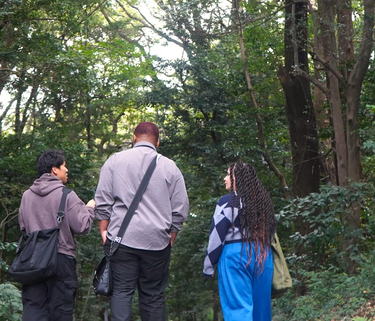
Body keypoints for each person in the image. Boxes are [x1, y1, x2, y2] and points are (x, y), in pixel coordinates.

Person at [94, 122, 190, 321]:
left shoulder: (115, 161)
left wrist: (104, 232)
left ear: (134, 138)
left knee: (121, 291)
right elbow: (180, 209)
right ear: (158, 142)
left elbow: (103, 202)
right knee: (153, 295)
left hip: (121, 239)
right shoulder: (170, 167)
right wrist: (170, 238)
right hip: (157, 241)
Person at [18, 149, 95, 321]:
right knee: (61, 311)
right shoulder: (67, 195)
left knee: (33, 308)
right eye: (64, 166)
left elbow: (23, 227)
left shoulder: (26, 196)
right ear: (54, 170)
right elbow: (82, 226)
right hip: (61, 259)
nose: (66, 170)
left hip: (33, 260)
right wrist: (90, 209)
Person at [203, 160, 275, 321]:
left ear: (237, 178)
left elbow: (216, 235)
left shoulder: (227, 202)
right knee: (261, 311)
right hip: (263, 255)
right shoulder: (263, 203)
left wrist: (209, 265)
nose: (225, 178)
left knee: (238, 309)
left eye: (228, 174)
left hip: (235, 256)